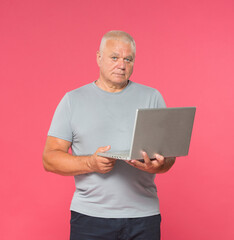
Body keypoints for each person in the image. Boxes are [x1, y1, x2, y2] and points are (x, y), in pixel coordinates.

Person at [43, 30, 176, 240]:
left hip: (144, 216)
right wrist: (90, 163)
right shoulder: (72, 100)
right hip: (90, 217)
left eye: (128, 59)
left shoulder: (152, 97)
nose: (121, 65)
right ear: (98, 57)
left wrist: (159, 165)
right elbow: (49, 159)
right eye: (114, 57)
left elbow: (169, 158)